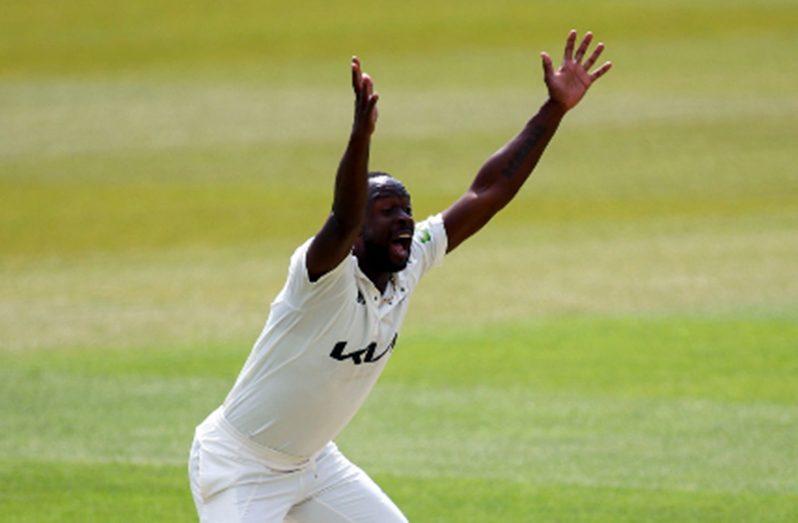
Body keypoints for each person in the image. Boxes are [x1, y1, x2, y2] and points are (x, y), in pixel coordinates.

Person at [188, 29, 612, 522]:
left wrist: (553, 110)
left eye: (407, 210)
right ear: (359, 230)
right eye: (388, 211)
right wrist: (360, 138)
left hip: (314, 463)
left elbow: (489, 191)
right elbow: (342, 219)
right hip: (241, 466)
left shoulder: (410, 262)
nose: (406, 220)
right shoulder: (321, 278)